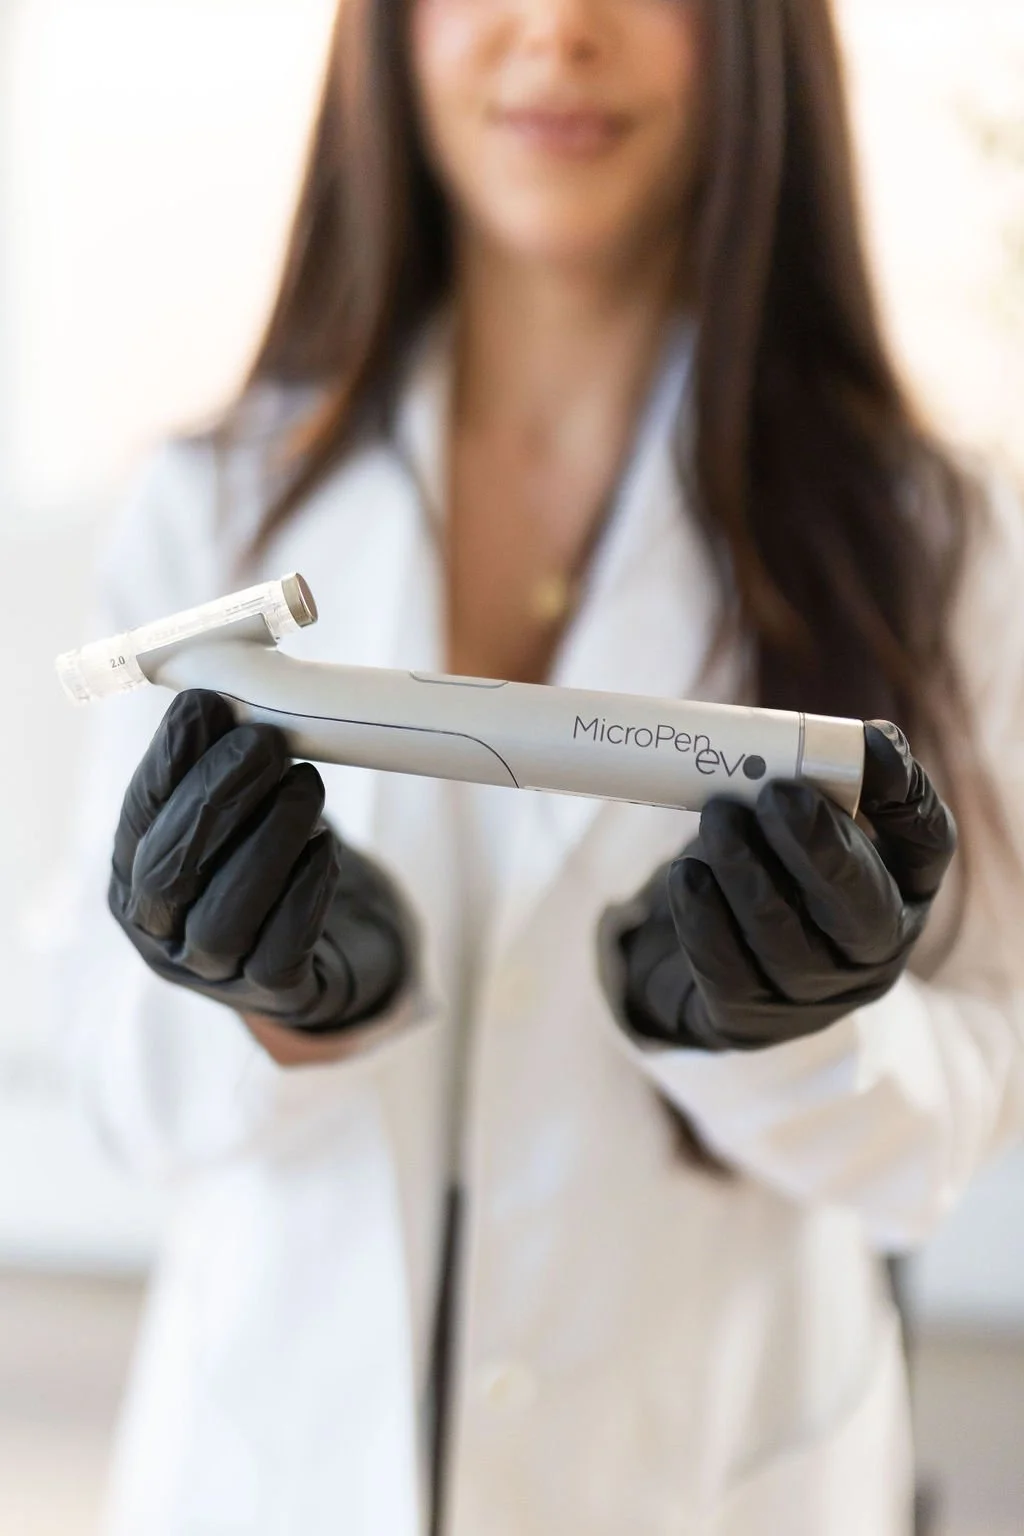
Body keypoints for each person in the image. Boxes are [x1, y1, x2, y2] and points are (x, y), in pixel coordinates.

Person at [53, 1, 1024, 1533]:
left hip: (712, 1469)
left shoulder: (926, 533)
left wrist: (784, 1031)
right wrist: (277, 1005)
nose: (559, 31)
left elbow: (965, 1094)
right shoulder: (212, 507)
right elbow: (107, 1070)